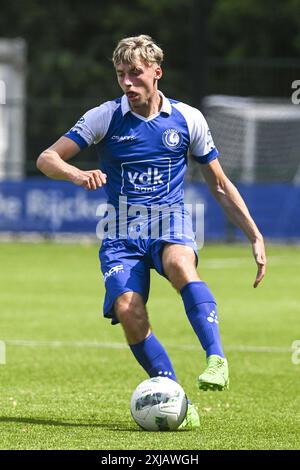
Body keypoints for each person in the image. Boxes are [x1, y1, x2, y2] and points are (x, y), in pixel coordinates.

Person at [37, 35, 266, 429]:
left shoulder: (188, 118)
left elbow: (220, 185)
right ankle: (176, 398)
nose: (127, 82)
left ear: (156, 73)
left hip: (169, 220)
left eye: (136, 73)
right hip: (120, 231)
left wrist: (254, 234)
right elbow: (47, 157)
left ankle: (216, 358)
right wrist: (76, 173)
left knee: (180, 263)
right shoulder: (104, 117)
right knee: (128, 309)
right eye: (121, 75)